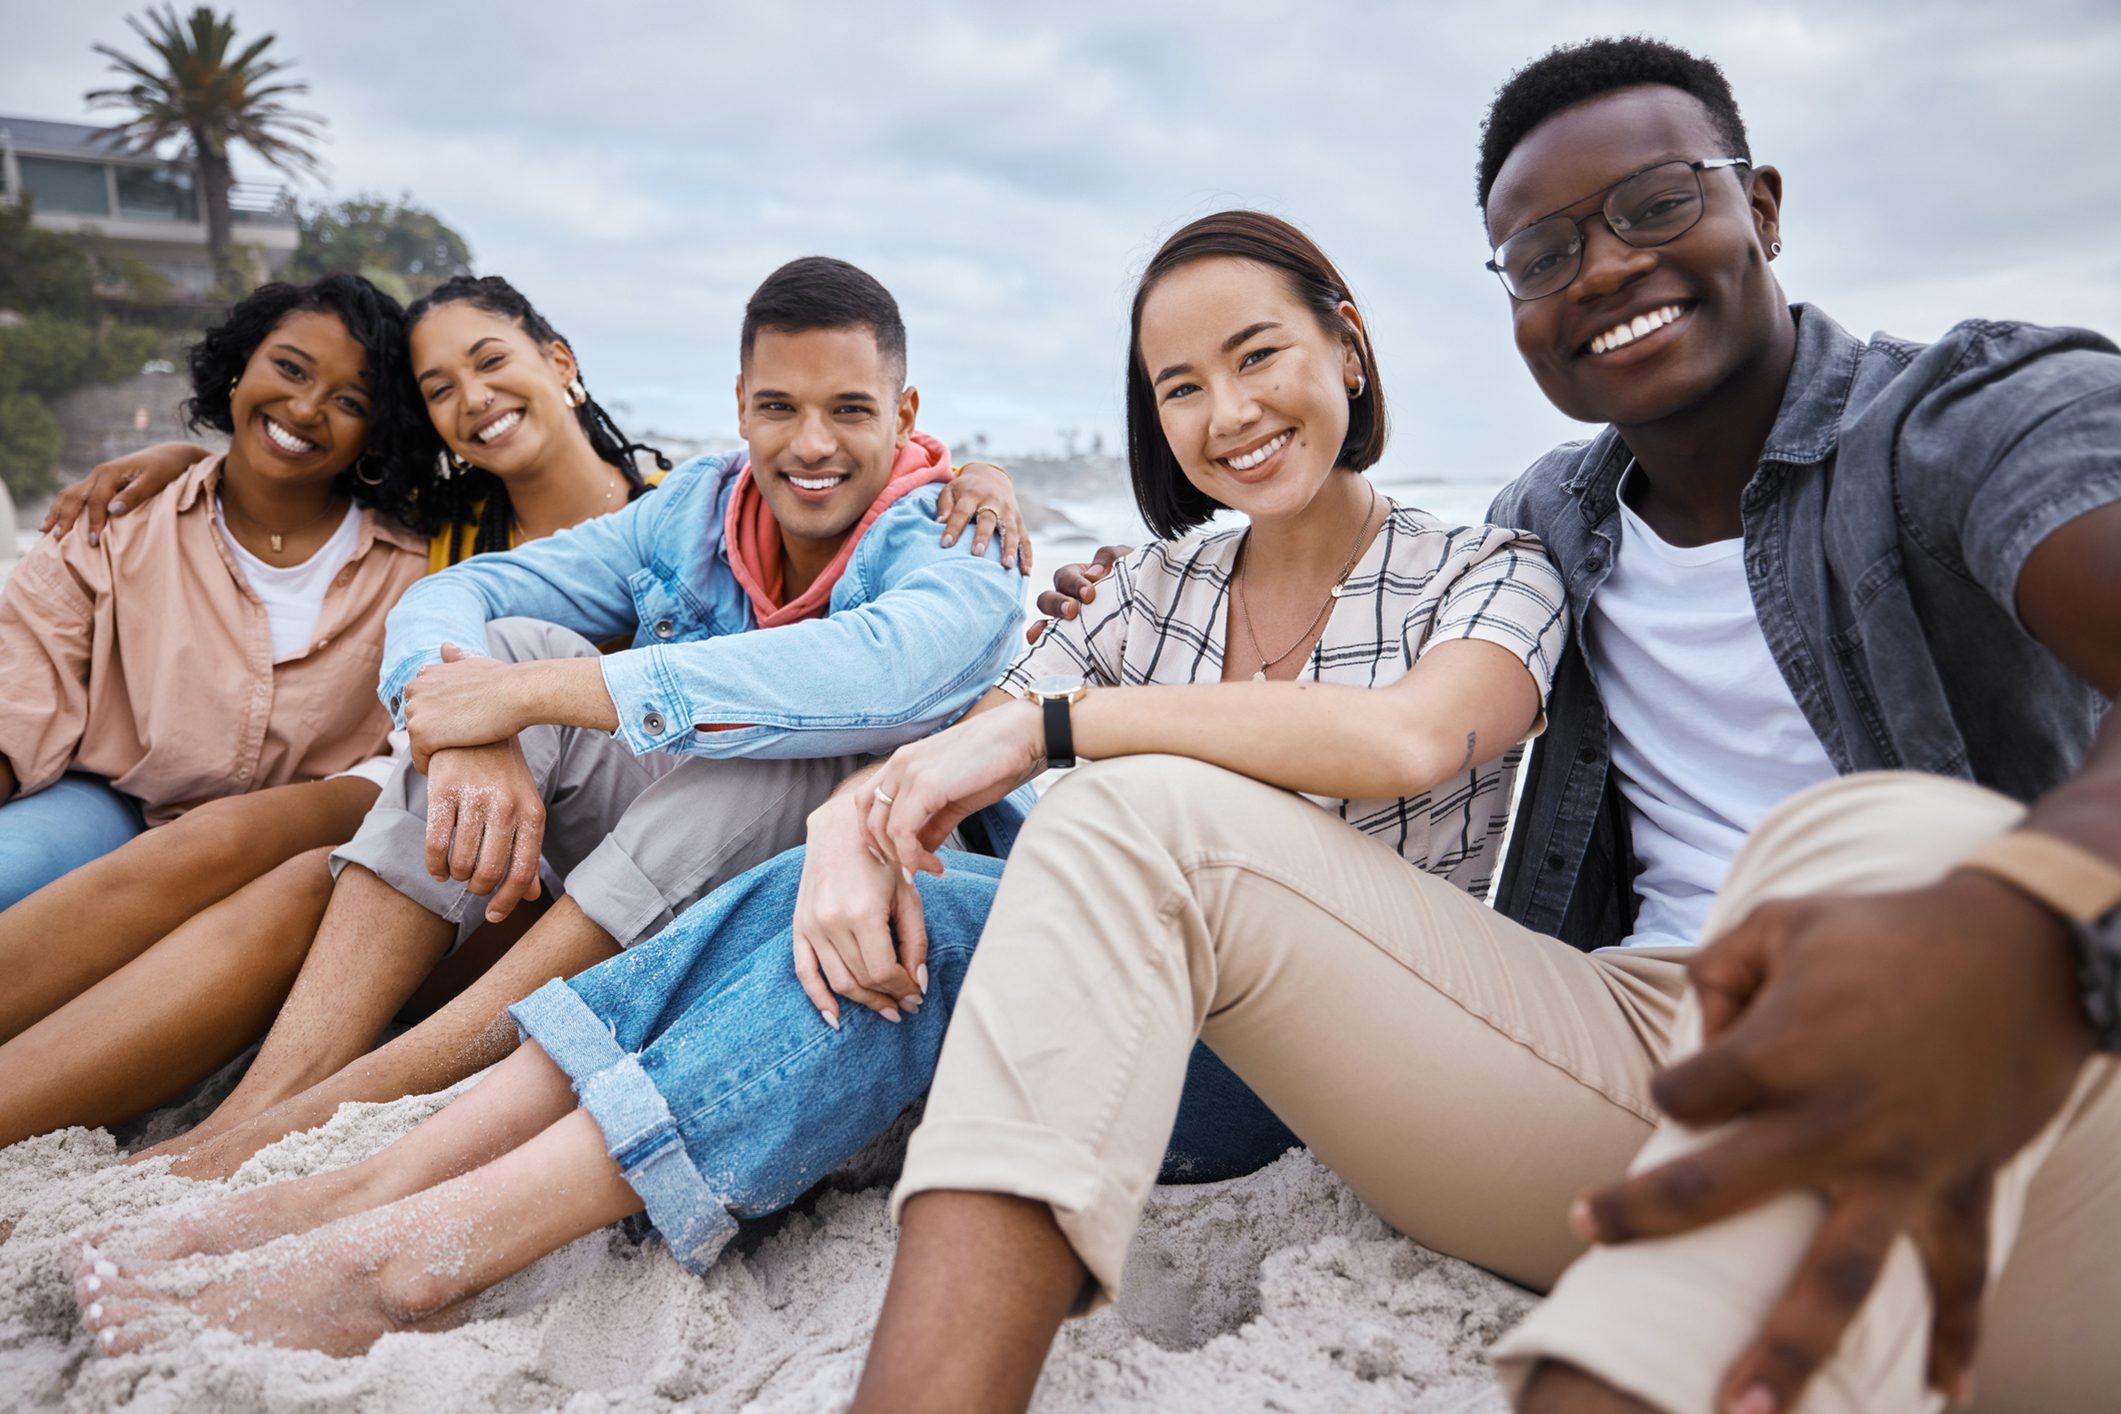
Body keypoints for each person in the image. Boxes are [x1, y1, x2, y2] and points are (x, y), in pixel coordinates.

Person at [849, 38, 2121, 1414]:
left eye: (1655, 205)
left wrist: (2019, 914)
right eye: (1543, 253)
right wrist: (965, 746)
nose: (1606, 268)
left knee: (1886, 837)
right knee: (1124, 814)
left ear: (1759, 206)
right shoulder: (1551, 524)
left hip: (2023, 1091)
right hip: (1621, 1068)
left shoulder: (1964, 417)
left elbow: (1406, 736)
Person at [68, 210, 1569, 1358]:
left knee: (929, 936)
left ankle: (407, 1261)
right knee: (840, 888)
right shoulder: (1156, 588)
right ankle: (335, 1186)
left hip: (1318, 1064)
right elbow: (961, 732)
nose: (1227, 412)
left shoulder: (1485, 569)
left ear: (1347, 349)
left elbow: (1407, 744)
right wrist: (863, 825)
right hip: (1130, 1001)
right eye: (1181, 385)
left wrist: (1046, 735)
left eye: (1258, 357)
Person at [0, 272, 1025, 1148]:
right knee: (502, 663)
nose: (810, 441)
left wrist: (522, 695)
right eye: (778, 407)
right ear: (741, 405)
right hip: (549, 831)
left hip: (810, 872)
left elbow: (874, 670)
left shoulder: (949, 533)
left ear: (904, 413)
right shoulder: (679, 509)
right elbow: (452, 591)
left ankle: (353, 1098)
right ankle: (260, 1112)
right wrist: (466, 728)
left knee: (743, 748)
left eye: (849, 409)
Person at [0, 275, 433, 922]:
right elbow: (19, 697)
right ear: (240, 366)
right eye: (290, 368)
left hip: (297, 851)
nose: (305, 408)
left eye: (349, 400)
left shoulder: (419, 568)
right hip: (113, 805)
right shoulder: (114, 523)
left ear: (376, 432)